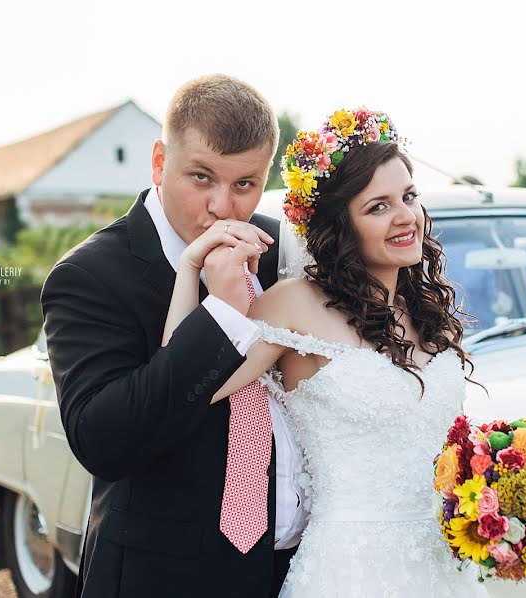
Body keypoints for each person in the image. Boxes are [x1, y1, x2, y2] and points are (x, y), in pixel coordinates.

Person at [164, 108, 488, 596]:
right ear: (341, 226)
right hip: (351, 568)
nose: (405, 217)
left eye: (408, 197)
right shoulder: (294, 305)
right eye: (378, 207)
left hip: (445, 562)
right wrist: (190, 269)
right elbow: (184, 385)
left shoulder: (426, 310)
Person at [41, 74, 306, 598]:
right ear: (160, 161)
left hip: (292, 568)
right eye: (202, 178)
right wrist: (222, 318)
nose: (222, 207)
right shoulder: (89, 275)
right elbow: (104, 441)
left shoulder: (280, 249)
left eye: (245, 184)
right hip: (163, 577)